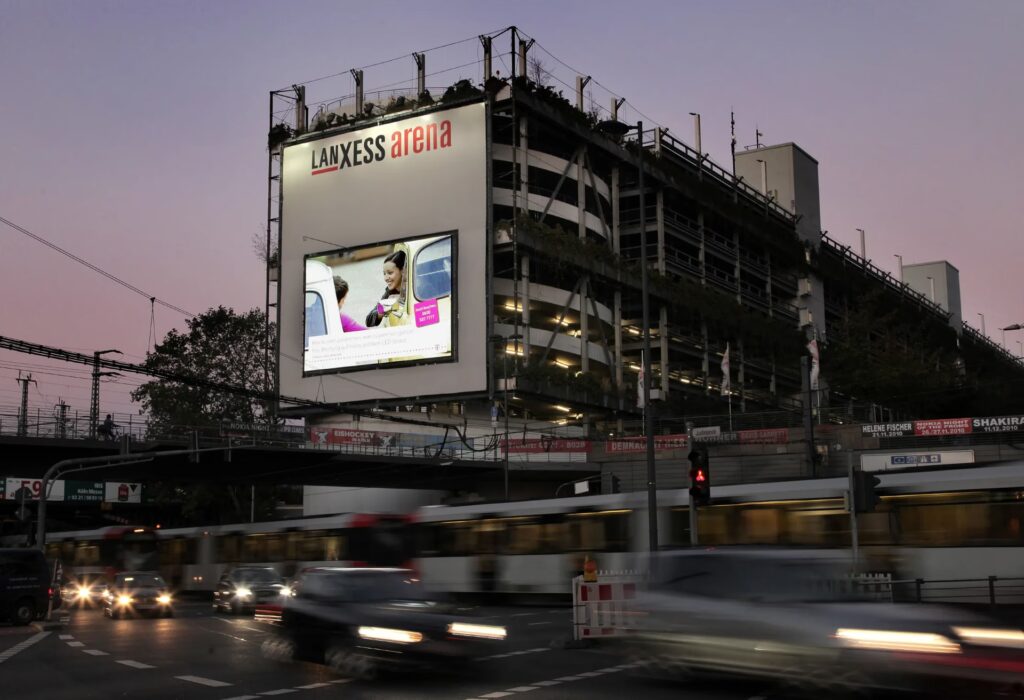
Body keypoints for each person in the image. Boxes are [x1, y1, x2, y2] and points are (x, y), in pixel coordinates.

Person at [365, 249, 409, 328]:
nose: (386, 278)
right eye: (384, 274)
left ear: (403, 271)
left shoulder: (415, 290)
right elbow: (368, 321)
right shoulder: (389, 293)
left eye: (390, 273)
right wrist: (382, 310)